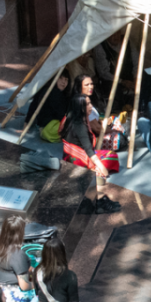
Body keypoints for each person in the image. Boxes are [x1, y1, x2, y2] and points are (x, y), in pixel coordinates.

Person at [60, 75, 121, 214]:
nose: (91, 106)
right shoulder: (80, 125)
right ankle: (100, 201)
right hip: (79, 161)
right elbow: (89, 151)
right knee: (106, 163)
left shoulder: (74, 118)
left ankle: (100, 199)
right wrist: (101, 168)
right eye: (88, 104)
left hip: (70, 157)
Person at [0, 215, 35, 302]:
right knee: (41, 292)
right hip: (7, 297)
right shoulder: (17, 254)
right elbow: (25, 286)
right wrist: (33, 276)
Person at [27, 72, 72, 140]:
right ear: (55, 79)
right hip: (49, 127)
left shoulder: (62, 94)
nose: (63, 82)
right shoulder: (54, 92)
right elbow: (60, 114)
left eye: (66, 80)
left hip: (46, 126)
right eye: (60, 78)